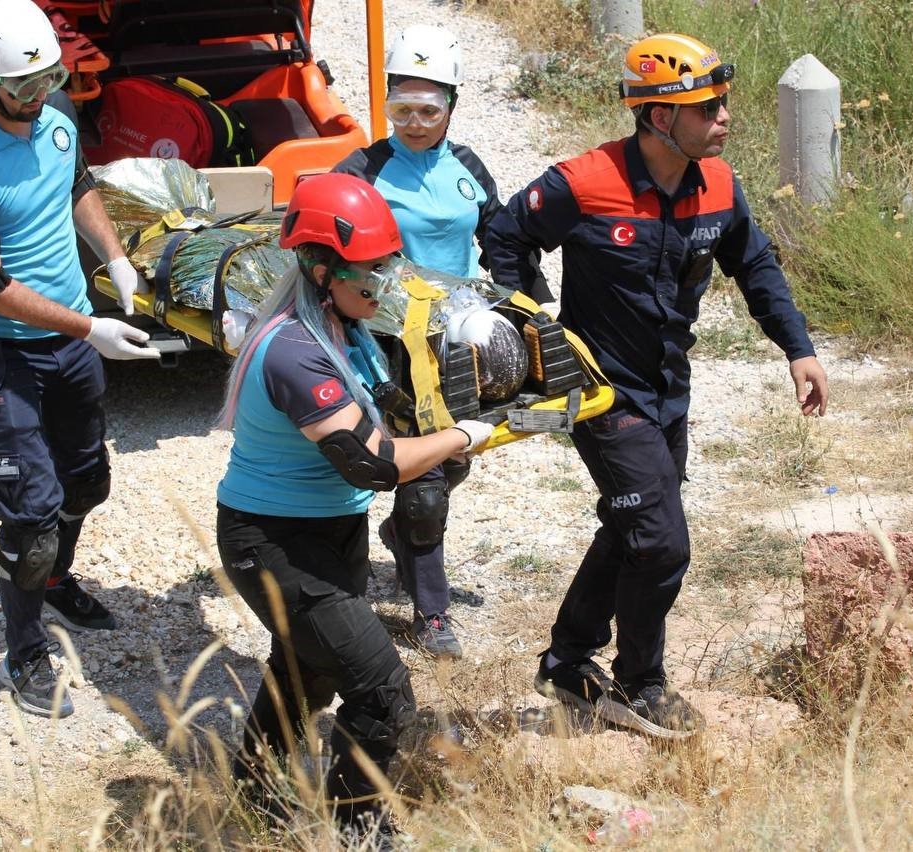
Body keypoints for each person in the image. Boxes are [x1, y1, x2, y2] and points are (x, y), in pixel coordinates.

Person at [484, 33, 830, 738]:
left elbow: (755, 268)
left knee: (632, 522)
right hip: (602, 393)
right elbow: (505, 237)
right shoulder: (582, 180)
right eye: (709, 107)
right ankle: (641, 684)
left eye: (724, 102)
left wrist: (798, 349)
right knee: (662, 541)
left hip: (669, 387)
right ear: (659, 117)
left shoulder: (721, 185)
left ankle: (567, 660)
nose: (725, 117)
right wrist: (530, 326)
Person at [215, 172, 493, 838]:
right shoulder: (294, 351)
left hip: (328, 535)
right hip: (275, 546)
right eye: (370, 272)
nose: (385, 283)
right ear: (319, 271)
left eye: (387, 266)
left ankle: (253, 803)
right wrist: (462, 439)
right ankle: (358, 831)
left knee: (306, 674)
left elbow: (396, 420)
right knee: (383, 693)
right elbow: (373, 463)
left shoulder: (349, 332)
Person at [0, 0, 160, 718]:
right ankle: (24, 651)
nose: (37, 101)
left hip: (66, 337)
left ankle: (57, 584)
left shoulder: (54, 118)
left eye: (50, 81)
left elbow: (77, 182)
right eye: (22, 89)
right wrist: (90, 327)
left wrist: (115, 258)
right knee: (30, 519)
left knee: (85, 482)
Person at [333, 24, 546, 658]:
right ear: (387, 105)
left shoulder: (469, 167)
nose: (416, 123)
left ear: (452, 106)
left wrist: (529, 311)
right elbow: (324, 249)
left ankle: (404, 535)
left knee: (452, 460)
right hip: (385, 341)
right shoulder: (363, 168)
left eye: (429, 111)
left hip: (455, 333)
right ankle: (431, 615)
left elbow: (501, 241)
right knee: (423, 476)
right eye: (402, 109)